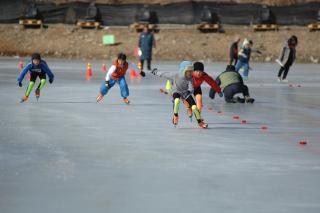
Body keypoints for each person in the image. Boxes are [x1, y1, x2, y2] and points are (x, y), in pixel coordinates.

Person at [150, 61, 208, 128]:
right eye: (188, 71)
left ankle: (200, 122)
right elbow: (163, 74)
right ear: (183, 70)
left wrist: (189, 92)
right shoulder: (175, 75)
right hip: (176, 91)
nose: (190, 73)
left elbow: (191, 88)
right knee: (177, 100)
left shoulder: (190, 78)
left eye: (191, 71)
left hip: (185, 93)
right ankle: (175, 116)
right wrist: (155, 72)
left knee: (194, 107)